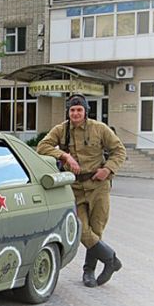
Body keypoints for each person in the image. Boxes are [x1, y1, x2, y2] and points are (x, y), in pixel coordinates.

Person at [37, 94, 126, 288]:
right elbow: (42, 146)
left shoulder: (100, 129)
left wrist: (108, 169)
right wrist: (65, 156)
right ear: (68, 112)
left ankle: (89, 272)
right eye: (72, 110)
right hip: (75, 188)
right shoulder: (62, 129)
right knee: (81, 229)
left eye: (79, 110)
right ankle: (111, 260)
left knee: (96, 230)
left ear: (86, 111)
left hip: (98, 186)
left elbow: (119, 150)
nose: (76, 113)